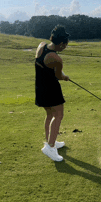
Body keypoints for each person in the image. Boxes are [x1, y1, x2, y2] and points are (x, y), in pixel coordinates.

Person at [35, 25, 70, 162]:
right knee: (59, 115)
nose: (65, 47)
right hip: (51, 89)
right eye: (65, 45)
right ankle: (50, 147)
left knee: (50, 115)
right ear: (61, 44)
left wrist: (62, 74)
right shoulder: (56, 58)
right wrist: (65, 77)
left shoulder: (41, 46)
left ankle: (51, 142)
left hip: (40, 87)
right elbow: (58, 76)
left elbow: (44, 67)